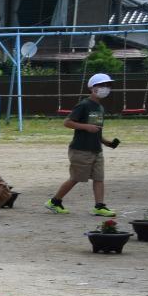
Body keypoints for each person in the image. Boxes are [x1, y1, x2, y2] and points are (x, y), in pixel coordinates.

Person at [48, 72, 118, 218]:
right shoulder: (84, 105)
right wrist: (86, 127)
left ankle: (99, 206)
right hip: (81, 150)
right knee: (76, 178)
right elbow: (67, 122)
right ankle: (55, 202)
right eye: (102, 85)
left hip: (96, 150)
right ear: (93, 88)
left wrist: (106, 142)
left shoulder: (99, 107)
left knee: (99, 178)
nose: (106, 88)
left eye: (108, 85)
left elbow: (96, 130)